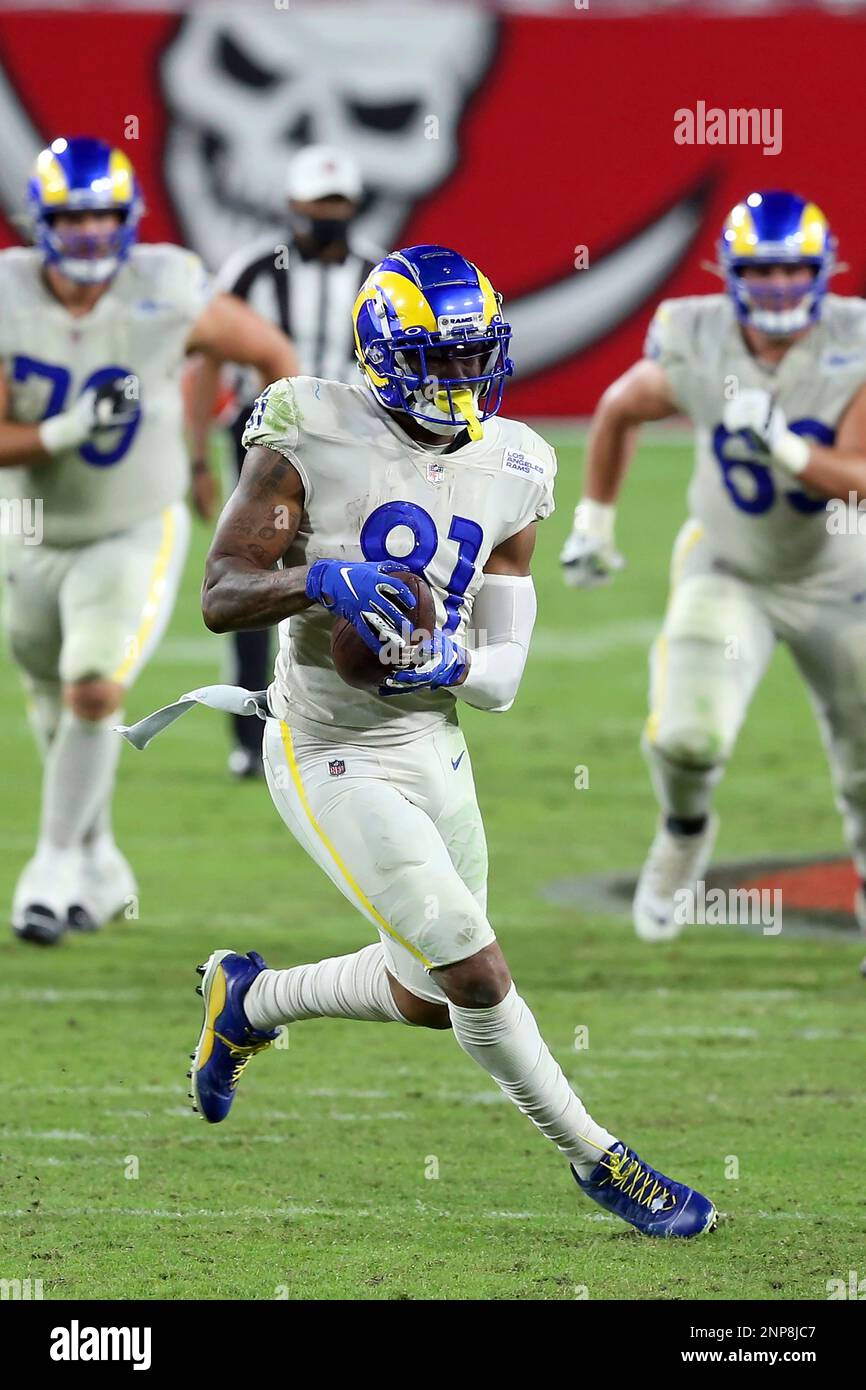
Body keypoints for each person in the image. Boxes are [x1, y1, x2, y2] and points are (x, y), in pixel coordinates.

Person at [123, 243, 717, 1236]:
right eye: (440, 359)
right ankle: (598, 1157)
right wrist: (319, 579)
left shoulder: (516, 462)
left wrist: (450, 667)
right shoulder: (306, 425)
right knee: (474, 969)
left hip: (432, 741)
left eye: (474, 356)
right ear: (385, 356)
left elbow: (504, 676)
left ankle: (250, 999)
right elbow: (222, 591)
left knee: (430, 992)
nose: (462, 378)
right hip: (324, 745)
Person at [0, 136, 296, 944]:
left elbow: (271, 355)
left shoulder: (166, 286)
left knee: (93, 686)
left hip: (133, 524)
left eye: (104, 219)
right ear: (44, 224)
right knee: (56, 698)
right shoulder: (9, 295)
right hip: (27, 530)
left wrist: (275, 475)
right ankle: (99, 862)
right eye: (75, 220)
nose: (92, 237)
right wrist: (61, 428)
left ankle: (51, 864)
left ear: (126, 221)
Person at [560, 190, 866, 960]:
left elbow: (859, 480)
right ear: (732, 275)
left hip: (841, 578)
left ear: (822, 274)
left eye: (794, 273)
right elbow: (620, 407)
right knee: (689, 737)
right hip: (730, 566)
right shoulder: (695, 336)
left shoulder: (853, 340)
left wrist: (789, 448)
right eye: (762, 273)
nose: (779, 290)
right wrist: (594, 522)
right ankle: (684, 834)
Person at [187, 144, 378, 778]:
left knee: (353, 574)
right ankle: (249, 730)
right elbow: (207, 357)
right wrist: (197, 455)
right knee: (252, 575)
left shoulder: (381, 277)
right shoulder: (251, 271)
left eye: (338, 201)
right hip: (265, 441)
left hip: (355, 442)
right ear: (293, 204)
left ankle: (346, 719)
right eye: (318, 201)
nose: (329, 212)